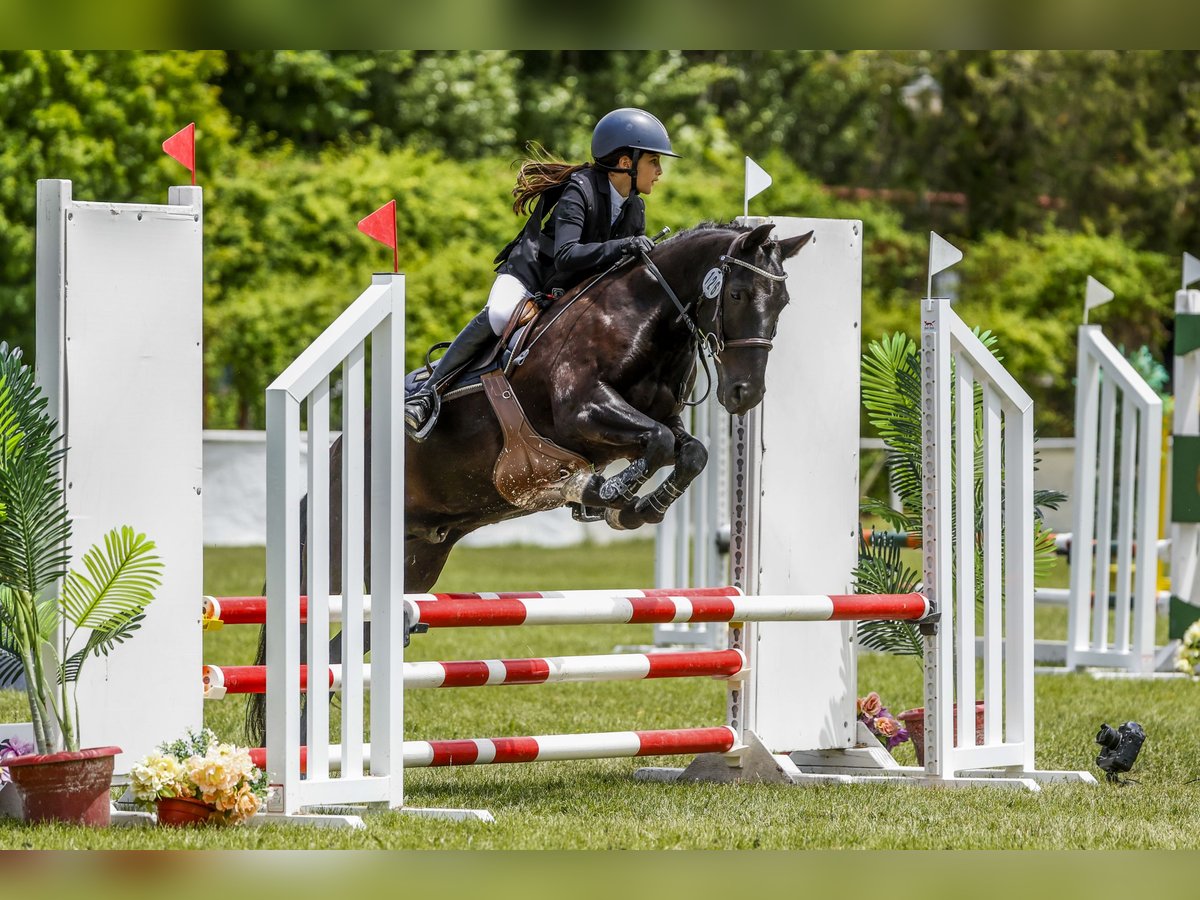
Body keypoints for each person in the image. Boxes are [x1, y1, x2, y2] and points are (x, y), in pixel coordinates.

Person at [403, 107, 680, 440]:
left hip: (567, 294)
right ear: (625, 163)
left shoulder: (634, 207)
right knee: (501, 313)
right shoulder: (580, 191)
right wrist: (623, 247)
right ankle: (426, 394)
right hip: (529, 278)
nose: (660, 171)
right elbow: (566, 255)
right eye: (653, 161)